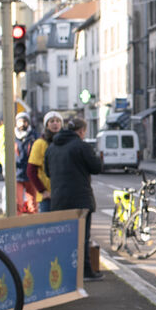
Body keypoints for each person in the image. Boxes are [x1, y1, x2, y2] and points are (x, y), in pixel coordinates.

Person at [47, 116, 104, 281]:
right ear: (81, 131)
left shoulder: (52, 147)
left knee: (62, 238)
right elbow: (96, 167)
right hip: (80, 199)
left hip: (58, 200)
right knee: (82, 238)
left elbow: (47, 172)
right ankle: (85, 271)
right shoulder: (82, 146)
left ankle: (63, 271)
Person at [28, 111, 63, 212]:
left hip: (63, 194)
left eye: (58, 121)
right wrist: (43, 191)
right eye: (52, 121)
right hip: (47, 196)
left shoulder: (65, 142)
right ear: (46, 125)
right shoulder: (40, 143)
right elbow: (31, 171)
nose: (55, 123)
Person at [13, 112, 39, 213]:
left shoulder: (34, 136)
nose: (22, 124)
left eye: (25, 121)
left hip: (31, 174)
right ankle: (17, 221)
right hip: (17, 175)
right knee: (17, 203)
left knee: (33, 204)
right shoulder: (11, 136)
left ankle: (34, 221)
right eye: (20, 121)